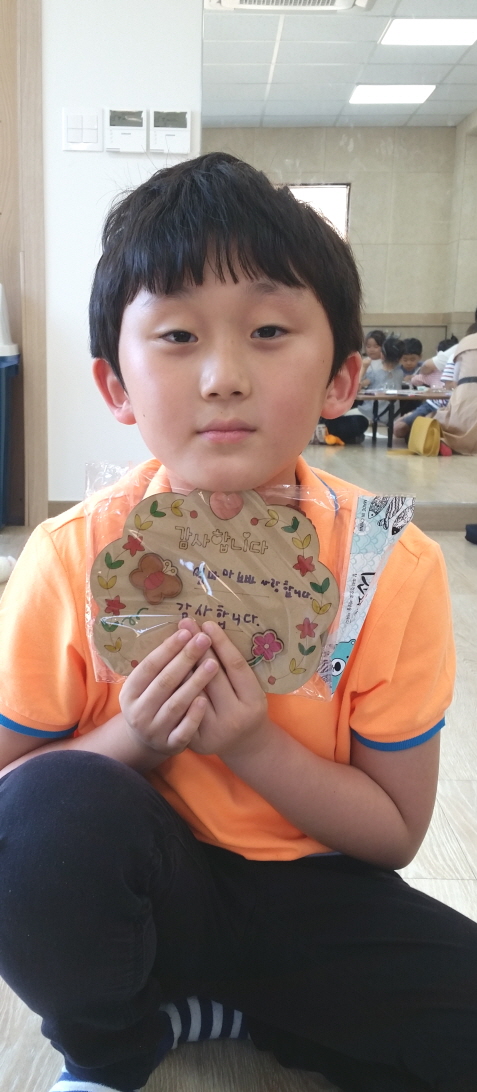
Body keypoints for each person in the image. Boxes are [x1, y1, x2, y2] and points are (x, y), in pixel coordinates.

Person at [0, 153, 474, 1092]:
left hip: (315, 894)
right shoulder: (74, 555)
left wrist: (253, 744)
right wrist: (136, 735)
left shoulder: (387, 566)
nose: (223, 376)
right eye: (177, 335)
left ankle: (244, 1008)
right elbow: (13, 804)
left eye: (268, 331)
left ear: (341, 380)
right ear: (116, 386)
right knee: (49, 821)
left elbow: (392, 834)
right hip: (140, 885)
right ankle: (115, 1042)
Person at [358, 334, 404, 424]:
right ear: (401, 358)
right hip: (393, 416)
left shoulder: (374, 374)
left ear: (382, 355)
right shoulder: (400, 373)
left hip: (371, 413)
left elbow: (357, 387)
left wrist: (363, 367)